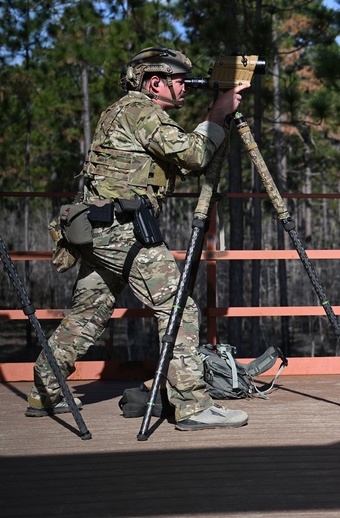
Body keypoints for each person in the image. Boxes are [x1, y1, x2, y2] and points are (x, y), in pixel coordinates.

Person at [27, 46, 250, 431]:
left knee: (89, 311)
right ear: (154, 83)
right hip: (123, 231)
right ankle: (192, 405)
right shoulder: (140, 111)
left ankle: (45, 389)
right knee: (178, 306)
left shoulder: (119, 110)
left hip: (97, 231)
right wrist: (217, 115)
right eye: (178, 81)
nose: (184, 88)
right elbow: (194, 155)